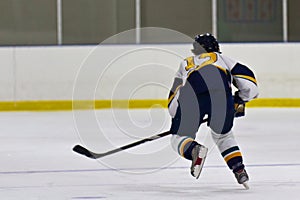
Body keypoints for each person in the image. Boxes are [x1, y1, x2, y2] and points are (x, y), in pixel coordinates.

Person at [168, 33, 258, 189]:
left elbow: (174, 96)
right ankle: (239, 169)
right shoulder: (223, 60)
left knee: (179, 138)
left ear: (195, 50)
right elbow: (250, 86)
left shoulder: (186, 63)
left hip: (192, 96)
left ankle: (194, 149)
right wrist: (239, 100)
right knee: (223, 135)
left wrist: (177, 119)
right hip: (221, 95)